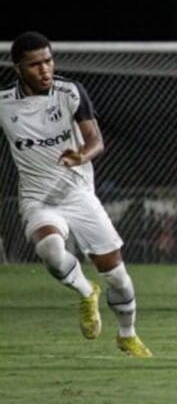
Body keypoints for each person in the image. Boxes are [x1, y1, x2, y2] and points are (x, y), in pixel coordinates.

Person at [1, 32, 151, 356]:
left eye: (48, 61)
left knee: (118, 276)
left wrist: (82, 155)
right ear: (18, 69)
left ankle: (127, 334)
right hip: (38, 199)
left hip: (78, 195)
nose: (45, 70)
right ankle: (86, 292)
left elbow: (95, 139)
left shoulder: (70, 92)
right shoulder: (4, 103)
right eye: (35, 64)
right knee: (52, 252)